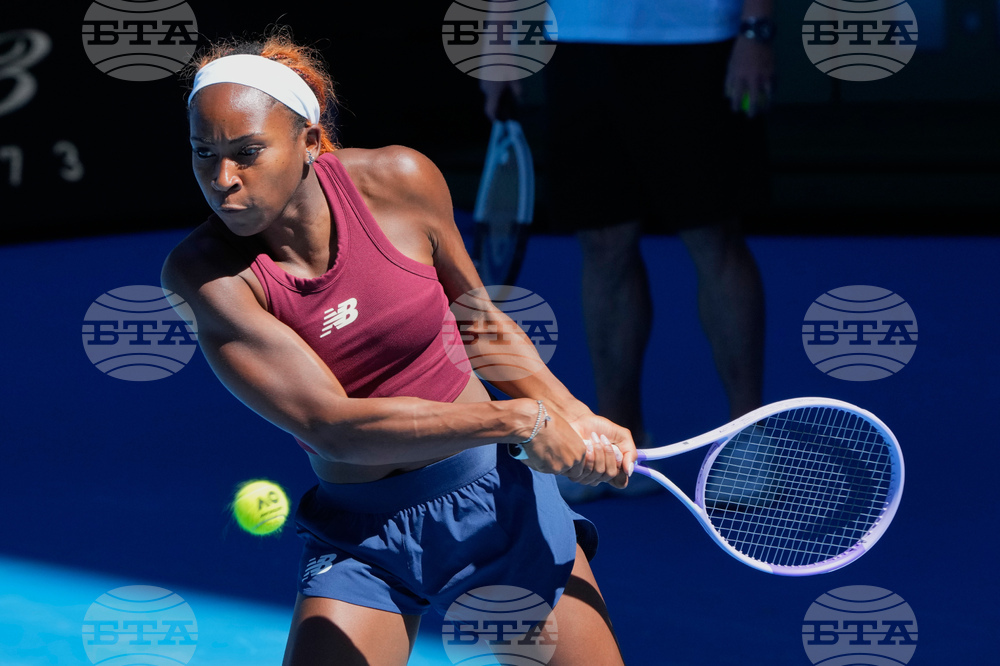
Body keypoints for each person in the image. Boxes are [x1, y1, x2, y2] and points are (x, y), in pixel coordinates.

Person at [162, 30, 635, 666]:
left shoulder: (400, 179)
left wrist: (571, 410)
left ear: (309, 140)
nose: (222, 180)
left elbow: (479, 321)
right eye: (202, 154)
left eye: (247, 152)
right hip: (364, 533)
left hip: (494, 501)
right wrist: (518, 419)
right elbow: (333, 428)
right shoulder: (203, 276)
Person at [482, 0, 772, 500]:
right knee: (602, 241)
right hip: (579, 39)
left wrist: (756, 29)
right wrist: (499, 36)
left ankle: (749, 438)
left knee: (711, 236)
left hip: (701, 39)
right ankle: (616, 445)